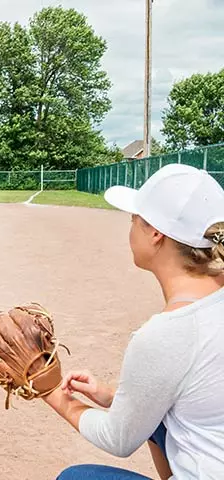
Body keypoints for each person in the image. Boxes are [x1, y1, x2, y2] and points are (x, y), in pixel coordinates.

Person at [42, 164, 224, 479]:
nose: (130, 228)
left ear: (156, 234)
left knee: (75, 478)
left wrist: (48, 389)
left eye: (134, 220)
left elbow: (119, 438)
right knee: (157, 422)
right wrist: (114, 397)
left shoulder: (167, 333)